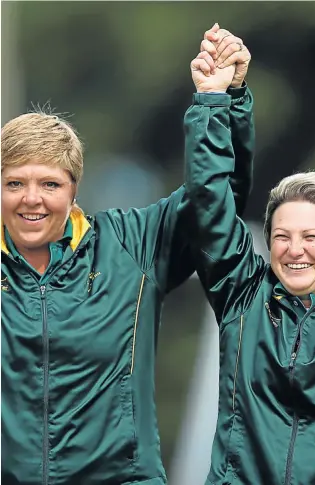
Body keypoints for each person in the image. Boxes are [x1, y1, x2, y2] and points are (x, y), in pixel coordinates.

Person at [1, 25, 254, 485]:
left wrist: (221, 102)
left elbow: (216, 205)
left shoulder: (130, 245)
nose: (31, 199)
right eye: (15, 183)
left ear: (74, 190)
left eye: (50, 184)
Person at [183, 35, 315, 485]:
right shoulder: (243, 299)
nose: (295, 249)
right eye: (282, 236)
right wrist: (216, 100)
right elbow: (211, 204)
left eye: (312, 237)